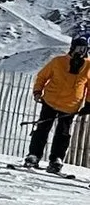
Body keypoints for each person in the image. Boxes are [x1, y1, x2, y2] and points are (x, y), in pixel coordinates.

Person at [26, 37, 90, 171]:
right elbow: (42, 76)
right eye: (78, 48)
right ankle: (34, 155)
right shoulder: (58, 61)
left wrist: (89, 104)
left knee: (63, 133)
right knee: (42, 129)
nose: (81, 52)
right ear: (72, 48)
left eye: (84, 49)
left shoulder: (88, 66)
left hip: (70, 105)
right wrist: (38, 91)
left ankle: (56, 159)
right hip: (50, 100)